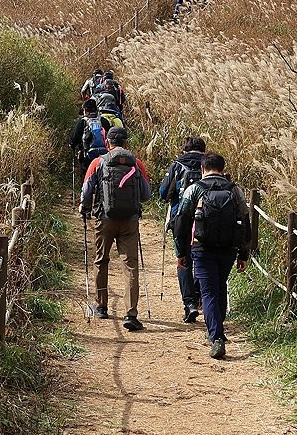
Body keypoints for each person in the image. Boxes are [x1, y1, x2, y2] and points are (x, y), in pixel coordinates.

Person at [171, 152, 251, 359]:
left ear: (203, 169)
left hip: (201, 247)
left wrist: (181, 252)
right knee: (220, 285)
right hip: (229, 248)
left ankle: (216, 336)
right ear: (223, 169)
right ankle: (217, 327)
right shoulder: (235, 191)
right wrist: (244, 254)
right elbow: (245, 222)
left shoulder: (194, 189)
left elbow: (181, 221)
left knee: (207, 292)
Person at [80, 127, 152, 330]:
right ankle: (131, 314)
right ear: (126, 143)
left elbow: (86, 193)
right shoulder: (136, 163)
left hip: (105, 219)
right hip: (130, 221)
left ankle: (101, 306)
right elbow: (146, 194)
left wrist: (84, 208)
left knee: (101, 260)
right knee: (130, 266)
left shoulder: (97, 162)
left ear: (107, 142)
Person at [158, 137, 206, 323]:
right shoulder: (208, 165)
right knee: (202, 259)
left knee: (183, 260)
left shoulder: (177, 165)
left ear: (185, 150)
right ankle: (200, 297)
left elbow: (163, 192)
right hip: (205, 220)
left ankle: (190, 304)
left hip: (181, 219)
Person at [69, 98, 123, 178]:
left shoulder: (83, 122)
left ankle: (87, 189)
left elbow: (74, 139)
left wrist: (72, 145)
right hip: (104, 155)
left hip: (87, 156)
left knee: (87, 176)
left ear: (86, 110)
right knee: (104, 175)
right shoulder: (103, 121)